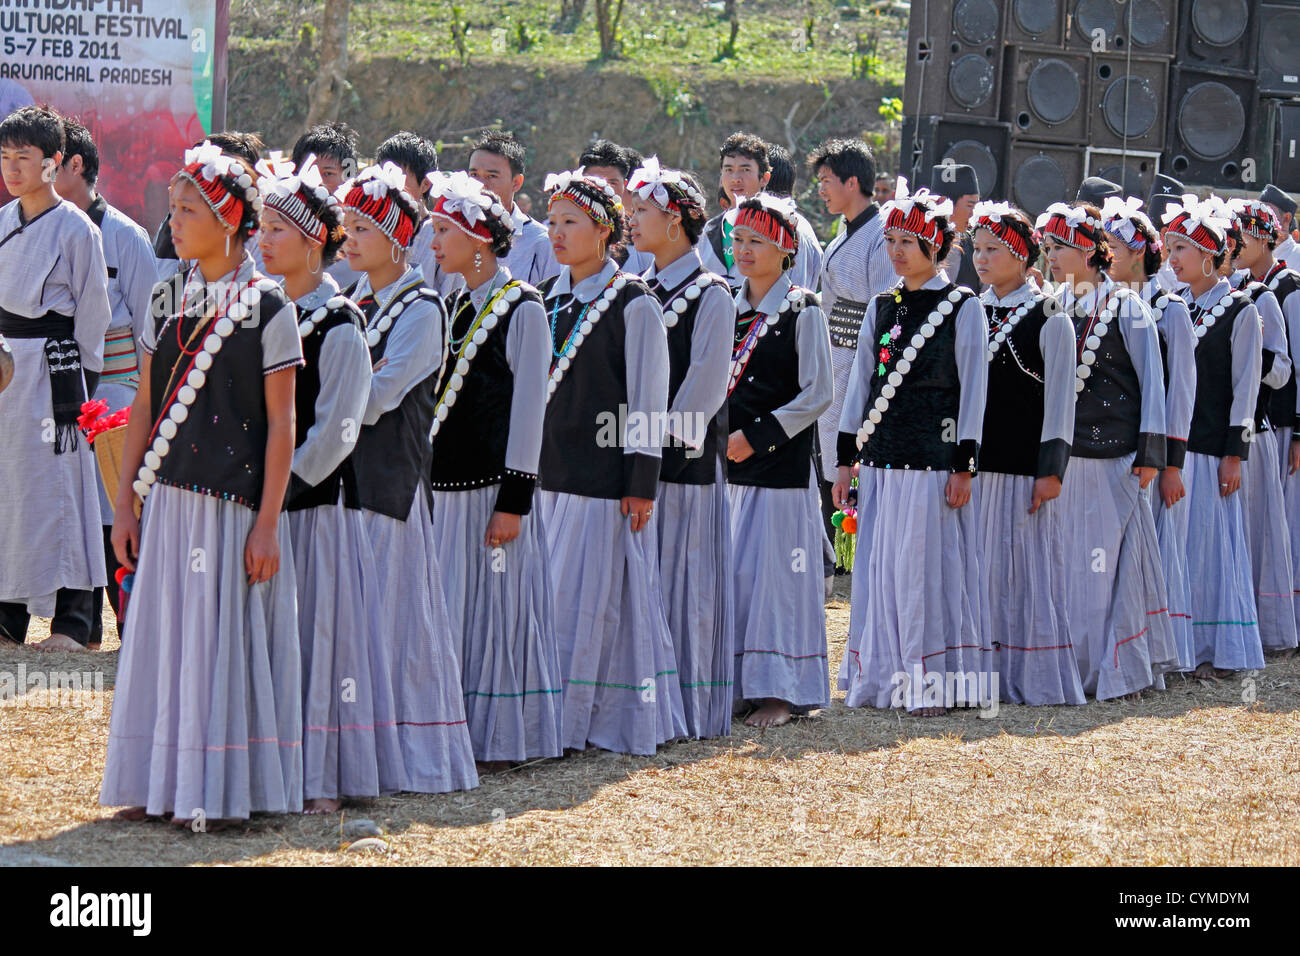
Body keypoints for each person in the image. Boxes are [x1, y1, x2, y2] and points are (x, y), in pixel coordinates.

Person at [100, 141, 304, 824]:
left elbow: (282, 426)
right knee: (164, 640)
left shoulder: (270, 307)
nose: (174, 220)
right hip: (170, 500)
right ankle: (158, 783)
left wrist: (269, 522)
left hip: (229, 506)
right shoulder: (169, 297)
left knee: (217, 644)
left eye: (189, 209)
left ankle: (214, 791)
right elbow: (144, 411)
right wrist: (125, 503)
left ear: (226, 219)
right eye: (174, 207)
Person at [256, 151, 407, 813]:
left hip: (311, 513)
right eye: (259, 229)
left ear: (315, 243)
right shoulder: (256, 311)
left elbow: (338, 432)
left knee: (315, 641)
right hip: (260, 508)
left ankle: (319, 776)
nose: (262, 241)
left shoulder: (341, 322)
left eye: (276, 231)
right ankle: (262, 768)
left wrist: (279, 490)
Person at [338, 162, 479, 793]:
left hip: (388, 486)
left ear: (397, 236)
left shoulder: (422, 310)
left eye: (362, 227)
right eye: (345, 227)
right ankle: (358, 753)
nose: (348, 239)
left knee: (392, 623)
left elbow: (374, 397)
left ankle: (404, 758)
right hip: (350, 483)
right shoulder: (359, 304)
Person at [537, 167, 686, 754]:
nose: (556, 233)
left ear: (604, 230)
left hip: (602, 481)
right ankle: (556, 713)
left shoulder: (633, 302)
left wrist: (641, 482)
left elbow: (649, 397)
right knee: (556, 600)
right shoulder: (549, 299)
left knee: (589, 602)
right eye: (550, 222)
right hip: (551, 473)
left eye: (571, 222)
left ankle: (582, 720)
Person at [425, 170, 564, 767]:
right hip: (449, 487)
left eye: (441, 230)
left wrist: (515, 499)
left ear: (477, 240)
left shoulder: (522, 308)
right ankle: (458, 726)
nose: (432, 243)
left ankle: (507, 736)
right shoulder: (457, 302)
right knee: (456, 606)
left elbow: (531, 410)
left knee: (499, 607)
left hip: (491, 491)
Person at [835, 179, 990, 715]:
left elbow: (973, 392)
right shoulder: (882, 306)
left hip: (932, 461)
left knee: (924, 569)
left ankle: (929, 681)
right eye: (891, 241)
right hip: (881, 459)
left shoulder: (963, 306)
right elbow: (859, 387)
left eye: (908, 241)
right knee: (880, 569)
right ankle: (879, 675)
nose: (897, 251)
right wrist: (844, 461)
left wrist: (964, 465)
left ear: (934, 245)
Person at [1037, 201, 1176, 699]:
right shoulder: (1051, 305)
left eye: (1064, 247)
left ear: (1092, 252)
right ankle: (1069, 664)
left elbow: (1153, 384)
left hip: (1113, 457)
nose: (1053, 256)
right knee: (1067, 566)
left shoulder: (1127, 305)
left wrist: (1149, 456)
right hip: (1063, 460)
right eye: (1050, 247)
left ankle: (1110, 668)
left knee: (1101, 568)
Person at [626, 158, 736, 737]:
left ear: (675, 222)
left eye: (643, 211)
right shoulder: (636, 289)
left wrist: (651, 443)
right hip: (639, 461)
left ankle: (686, 706)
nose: (632, 221)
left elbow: (706, 386)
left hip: (683, 467)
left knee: (682, 581)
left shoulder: (710, 293)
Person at [0, 106, 111, 652]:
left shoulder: (76, 228)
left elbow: (94, 313)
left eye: (25, 157)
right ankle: (8, 615)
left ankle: (74, 620)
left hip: (55, 372)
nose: (13, 168)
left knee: (63, 488)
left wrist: (80, 389)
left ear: (53, 164)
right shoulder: (2, 223)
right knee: (12, 491)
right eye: (5, 157)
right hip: (5, 372)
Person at [725, 193, 834, 727]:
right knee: (737, 578)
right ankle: (741, 683)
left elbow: (817, 393)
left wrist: (759, 435)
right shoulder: (727, 303)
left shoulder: (802, 308)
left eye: (757, 242)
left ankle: (781, 691)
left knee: (777, 580)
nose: (744, 250)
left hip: (779, 471)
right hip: (727, 467)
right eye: (739, 240)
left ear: (785, 249)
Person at [971, 201, 1081, 704]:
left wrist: (1050, 470)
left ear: (1020, 254)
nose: (982, 258)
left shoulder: (1049, 316)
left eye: (994, 249)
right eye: (976, 249)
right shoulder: (970, 309)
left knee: (1021, 568)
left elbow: (1060, 400)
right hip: (976, 466)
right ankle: (980, 669)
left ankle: (1027, 675)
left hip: (1020, 468)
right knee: (979, 568)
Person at [54, 117, 157, 649]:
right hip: (58, 388)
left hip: (116, 390)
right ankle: (76, 625)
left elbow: (150, 328)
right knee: (67, 502)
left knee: (110, 504)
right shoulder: (40, 226)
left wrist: (141, 405)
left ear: (78, 165)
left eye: (54, 158)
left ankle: (128, 629)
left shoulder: (125, 235)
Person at [1161, 196, 1264, 678]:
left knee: (1210, 547)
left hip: (1212, 448)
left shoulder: (1241, 309)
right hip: (1181, 447)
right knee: (1182, 548)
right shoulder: (1175, 307)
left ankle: (1214, 649)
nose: (1173, 258)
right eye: (1168, 247)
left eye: (1181, 247)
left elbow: (1246, 388)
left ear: (1209, 252)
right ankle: (1181, 647)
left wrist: (1234, 455)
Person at [1102, 195, 1198, 673]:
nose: (1105, 256)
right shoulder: (1105, 305)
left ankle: (1160, 650)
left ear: (1138, 251)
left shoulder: (1169, 309)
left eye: (1113, 247)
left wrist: (1170, 463)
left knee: (1157, 548)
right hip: (1123, 449)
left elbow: (1180, 392)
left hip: (1152, 454)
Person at [808, 138, 895, 572]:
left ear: (852, 182)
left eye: (826, 181)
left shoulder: (880, 236)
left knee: (850, 446)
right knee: (831, 446)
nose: (821, 189)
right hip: (835, 355)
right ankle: (838, 546)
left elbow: (883, 307)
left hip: (860, 360)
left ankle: (851, 549)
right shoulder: (846, 230)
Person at [1221, 199, 1299, 654]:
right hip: (1240, 421)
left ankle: (1271, 621)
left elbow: (1289, 367)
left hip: (1275, 421)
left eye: (1244, 237)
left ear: (1265, 238)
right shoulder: (1235, 288)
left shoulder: (1283, 289)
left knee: (1273, 521)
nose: (1237, 246)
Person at [698, 133, 822, 291]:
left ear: (764, 178)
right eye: (728, 169)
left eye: (745, 170)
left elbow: (795, 296)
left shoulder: (785, 227)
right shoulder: (711, 229)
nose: (736, 178)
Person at [468, 130, 559, 286]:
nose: (480, 185)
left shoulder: (541, 242)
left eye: (492, 176)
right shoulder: (453, 233)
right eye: (474, 174)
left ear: (516, 182)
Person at [292, 122, 362, 288]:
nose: (319, 183)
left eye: (328, 174)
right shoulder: (283, 233)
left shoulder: (362, 241)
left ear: (349, 179)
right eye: (310, 172)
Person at [376, 131, 447, 292]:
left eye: (400, 176)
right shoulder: (372, 230)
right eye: (385, 175)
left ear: (426, 184)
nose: (390, 185)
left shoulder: (440, 234)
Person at [578, 138, 654, 275]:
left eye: (612, 183)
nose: (603, 189)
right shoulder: (561, 235)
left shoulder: (644, 237)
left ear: (625, 185)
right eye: (594, 181)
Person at [930, 162, 981, 292]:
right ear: (945, 203)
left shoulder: (975, 246)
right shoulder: (917, 243)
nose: (973, 214)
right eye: (970, 205)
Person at [1261, 184, 1298, 272]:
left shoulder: (1297, 255)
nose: (1259, 219)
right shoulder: (1250, 253)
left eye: (1266, 213)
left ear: (1286, 218)